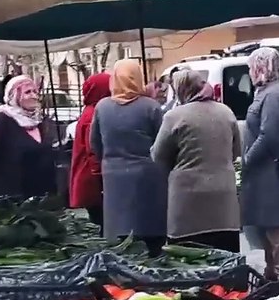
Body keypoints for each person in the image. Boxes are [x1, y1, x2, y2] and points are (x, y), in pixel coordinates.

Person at [152, 69, 242, 252]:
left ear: (181, 90)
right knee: (225, 260)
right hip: (223, 200)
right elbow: (236, 151)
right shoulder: (226, 112)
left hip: (188, 202)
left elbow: (158, 156)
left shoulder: (174, 116)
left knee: (192, 263)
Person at [92, 59, 168, 255]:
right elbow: (162, 142)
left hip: (113, 174)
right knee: (149, 227)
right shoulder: (150, 107)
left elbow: (95, 143)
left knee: (119, 229)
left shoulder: (102, 107)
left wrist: (108, 159)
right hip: (147, 174)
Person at [241, 47, 279, 281]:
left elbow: (269, 135)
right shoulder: (265, 92)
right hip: (263, 173)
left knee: (277, 228)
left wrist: (247, 159)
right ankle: (271, 275)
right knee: (267, 227)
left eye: (251, 66)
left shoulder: (274, 95)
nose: (249, 71)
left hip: (272, 172)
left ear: (261, 67)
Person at [0, 75, 58, 198]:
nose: (33, 96)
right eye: (27, 92)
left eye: (35, 91)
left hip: (42, 196)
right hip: (13, 196)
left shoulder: (40, 120)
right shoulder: (2, 119)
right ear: (14, 96)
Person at [70, 72, 110, 228]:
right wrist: (100, 175)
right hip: (91, 180)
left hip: (87, 177)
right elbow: (92, 148)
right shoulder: (93, 114)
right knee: (101, 223)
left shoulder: (89, 110)